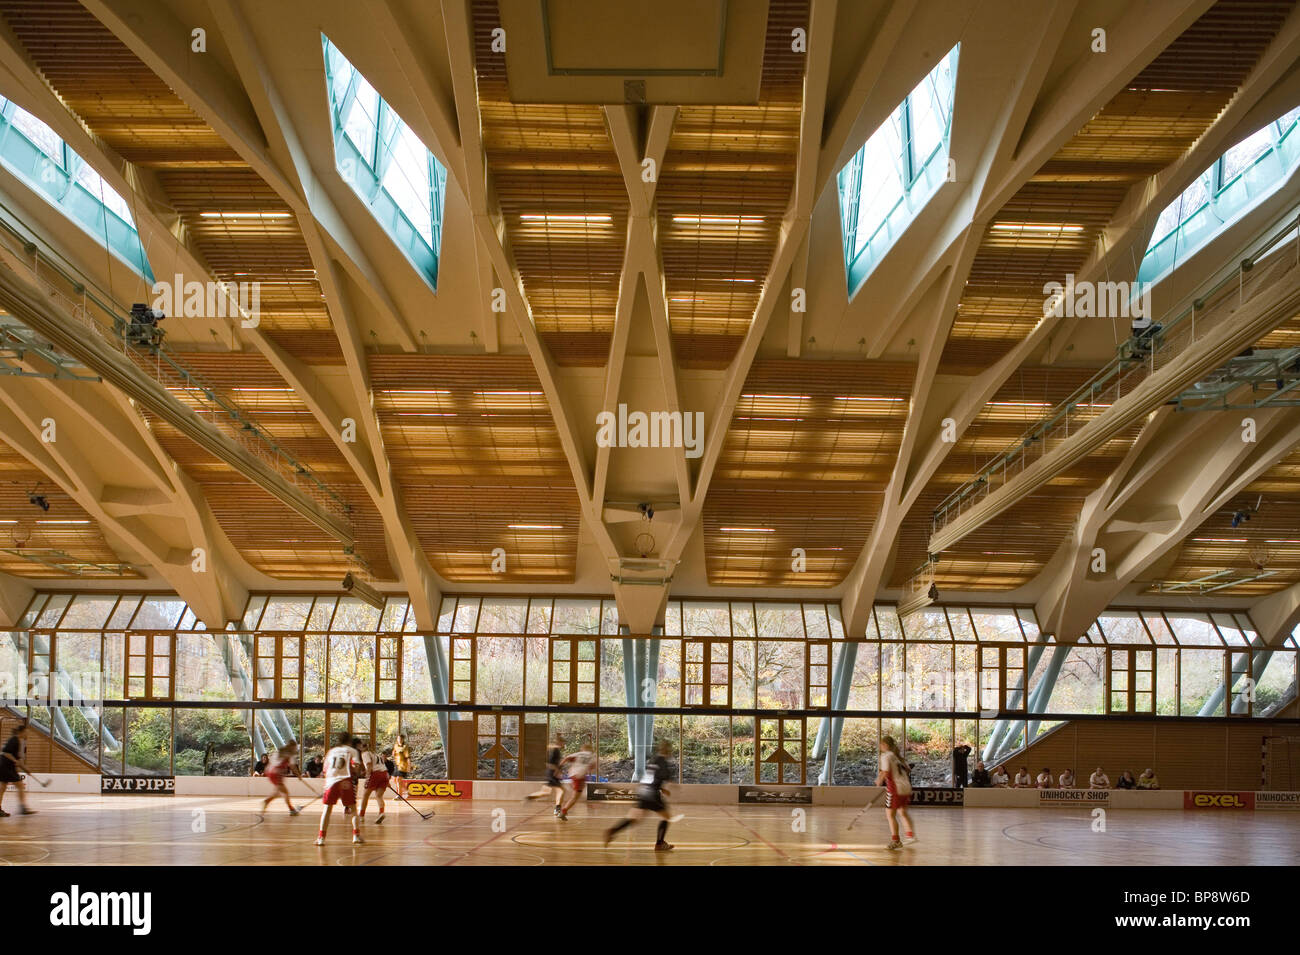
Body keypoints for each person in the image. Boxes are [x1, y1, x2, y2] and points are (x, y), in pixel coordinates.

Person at [604, 740, 675, 851]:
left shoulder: (653, 760)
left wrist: (661, 788)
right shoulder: (664, 762)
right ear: (668, 750)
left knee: (635, 818)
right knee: (666, 817)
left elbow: (651, 777)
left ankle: (613, 831)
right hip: (652, 794)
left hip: (643, 791)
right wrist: (669, 784)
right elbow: (664, 776)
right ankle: (660, 843)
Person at [316, 731, 363, 846]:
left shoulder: (331, 751)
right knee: (353, 810)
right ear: (349, 741)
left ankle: (321, 838)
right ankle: (356, 836)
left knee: (327, 810)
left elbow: (325, 769)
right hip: (345, 781)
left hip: (331, 781)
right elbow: (356, 767)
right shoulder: (352, 751)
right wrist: (355, 771)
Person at [876, 735, 914, 850]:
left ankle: (896, 840)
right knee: (902, 812)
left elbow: (886, 772)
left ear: (885, 745)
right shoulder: (897, 757)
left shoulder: (886, 756)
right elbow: (908, 769)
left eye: (881, 744)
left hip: (895, 788)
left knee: (890, 815)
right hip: (906, 787)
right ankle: (910, 835)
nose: (880, 747)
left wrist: (879, 780)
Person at [524, 733, 566, 815]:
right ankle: (557, 809)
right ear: (560, 742)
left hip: (551, 774)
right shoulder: (555, 750)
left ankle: (529, 797)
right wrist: (557, 771)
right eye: (563, 742)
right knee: (561, 791)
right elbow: (549, 764)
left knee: (546, 792)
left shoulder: (556, 750)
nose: (564, 744)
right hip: (553, 774)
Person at [0, 719, 35, 817]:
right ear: (21, 732)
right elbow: (5, 752)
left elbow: (18, 759)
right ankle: (23, 808)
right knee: (19, 786)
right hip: (5, 767)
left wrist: (25, 769)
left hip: (7, 766)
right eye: (26, 732)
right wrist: (15, 761)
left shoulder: (19, 741)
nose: (27, 734)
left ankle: (22, 807)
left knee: (3, 788)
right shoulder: (14, 739)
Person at [557, 740, 596, 821]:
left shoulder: (579, 754)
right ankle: (563, 811)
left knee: (576, 794)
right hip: (580, 776)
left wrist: (559, 767)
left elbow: (567, 758)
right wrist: (587, 770)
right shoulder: (592, 755)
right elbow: (593, 766)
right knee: (575, 797)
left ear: (583, 749)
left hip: (572, 775)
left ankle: (564, 810)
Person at [260, 739, 300, 815]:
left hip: (270, 772)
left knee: (279, 793)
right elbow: (293, 767)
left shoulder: (279, 751)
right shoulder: (290, 754)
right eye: (295, 747)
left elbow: (271, 762)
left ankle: (267, 801)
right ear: (292, 747)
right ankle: (291, 809)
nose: (295, 749)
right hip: (277, 773)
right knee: (285, 792)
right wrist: (298, 775)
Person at [359, 741, 388, 824]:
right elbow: (381, 766)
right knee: (379, 796)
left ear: (362, 747)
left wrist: (367, 775)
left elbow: (369, 764)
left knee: (365, 795)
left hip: (375, 774)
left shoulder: (365, 753)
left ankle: (361, 816)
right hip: (384, 773)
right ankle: (381, 812)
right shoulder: (376, 754)